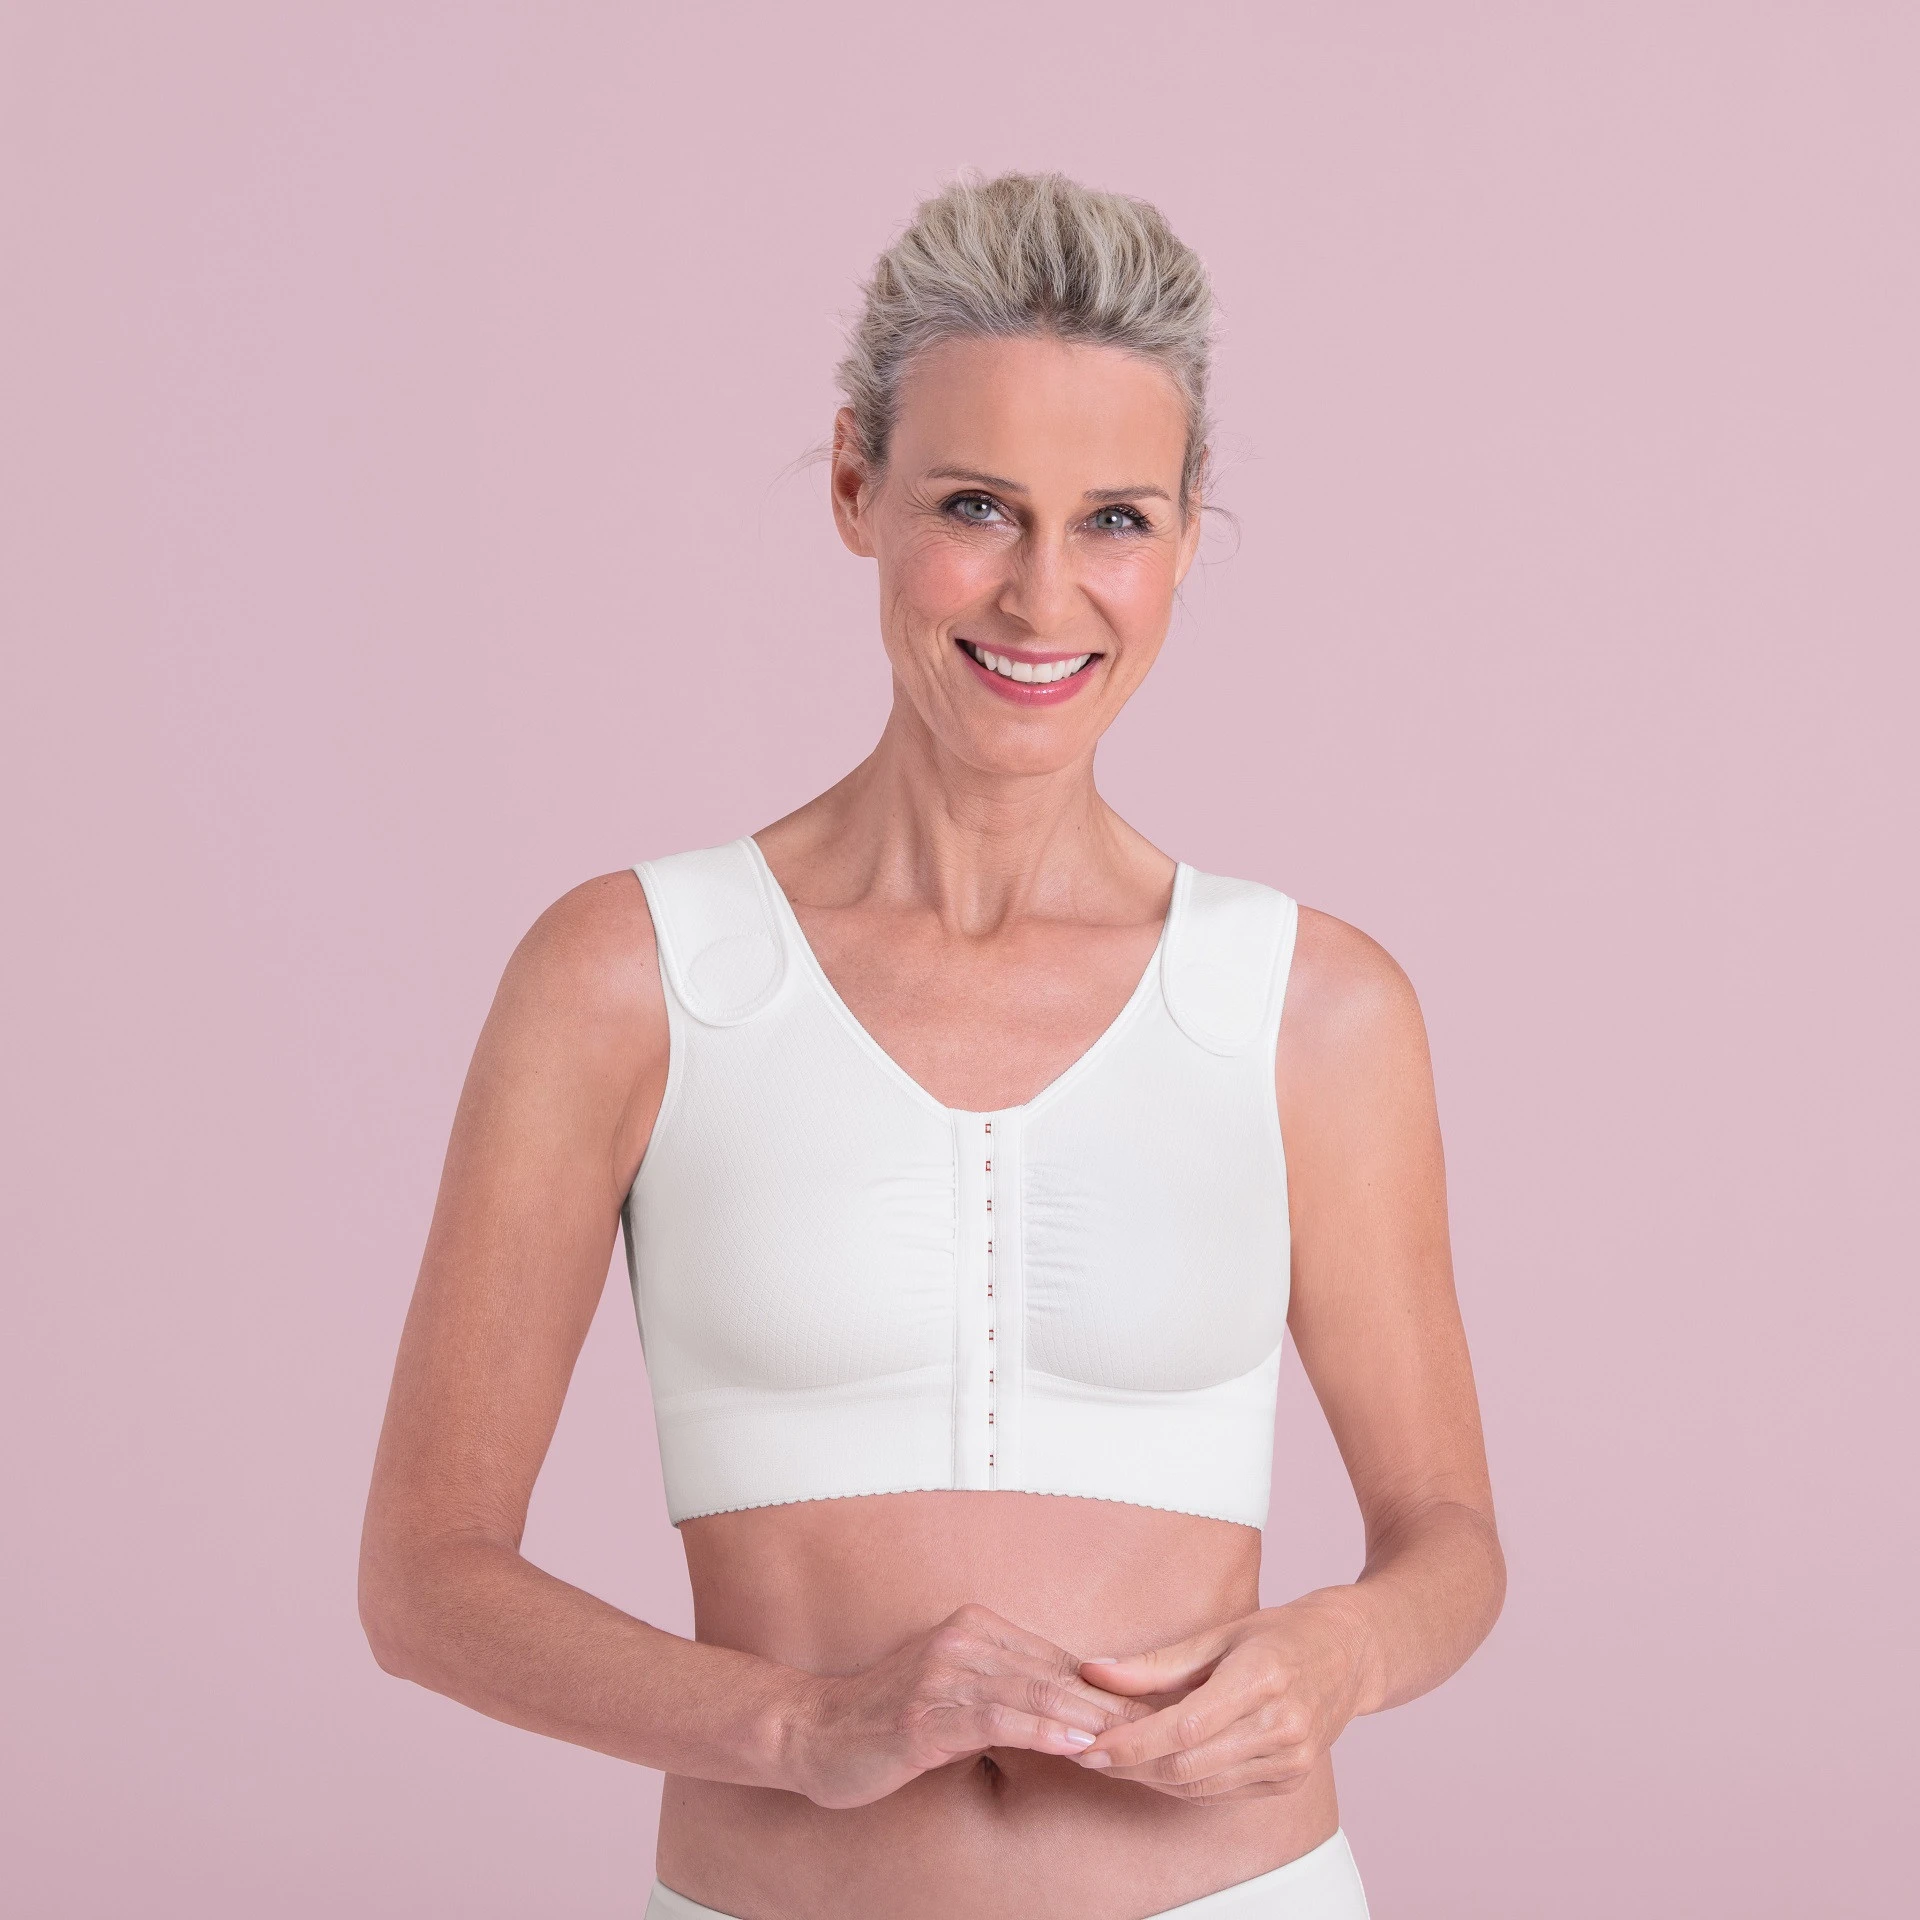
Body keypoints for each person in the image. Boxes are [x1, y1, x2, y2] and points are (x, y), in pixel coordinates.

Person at [359, 170, 1505, 1920]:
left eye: (1114, 520)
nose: (1044, 597)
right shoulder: (630, 976)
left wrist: (1336, 1658)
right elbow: (425, 1581)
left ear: (1188, 535)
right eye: (978, 506)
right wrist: (801, 1726)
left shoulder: (1313, 1005)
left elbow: (1450, 1543)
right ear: (854, 485)